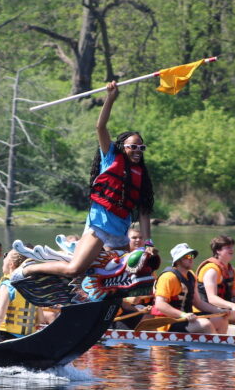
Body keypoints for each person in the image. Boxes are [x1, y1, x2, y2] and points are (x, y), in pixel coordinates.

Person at [19, 81, 153, 279]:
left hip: (120, 233)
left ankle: (97, 296)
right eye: (133, 147)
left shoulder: (140, 175)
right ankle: (28, 269)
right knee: (75, 269)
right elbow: (100, 126)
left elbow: (143, 212)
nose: (137, 151)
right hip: (99, 227)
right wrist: (110, 98)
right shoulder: (110, 158)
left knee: (131, 271)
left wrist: (148, 244)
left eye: (141, 148)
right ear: (122, 147)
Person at [149, 243, 229, 334]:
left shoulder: (191, 276)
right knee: (205, 325)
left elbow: (198, 303)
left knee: (221, 319)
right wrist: (182, 314)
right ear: (178, 260)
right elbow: (160, 304)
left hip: (188, 318)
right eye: (187, 256)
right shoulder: (168, 277)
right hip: (170, 322)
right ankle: (212, 347)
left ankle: (218, 346)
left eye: (192, 255)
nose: (191, 258)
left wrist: (219, 311)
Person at [194, 235, 235, 323]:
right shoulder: (211, 270)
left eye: (232, 247)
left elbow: (234, 295)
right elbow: (212, 298)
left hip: (224, 310)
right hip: (205, 312)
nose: (232, 249)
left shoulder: (231, 271)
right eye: (228, 247)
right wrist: (232, 305)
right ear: (218, 250)